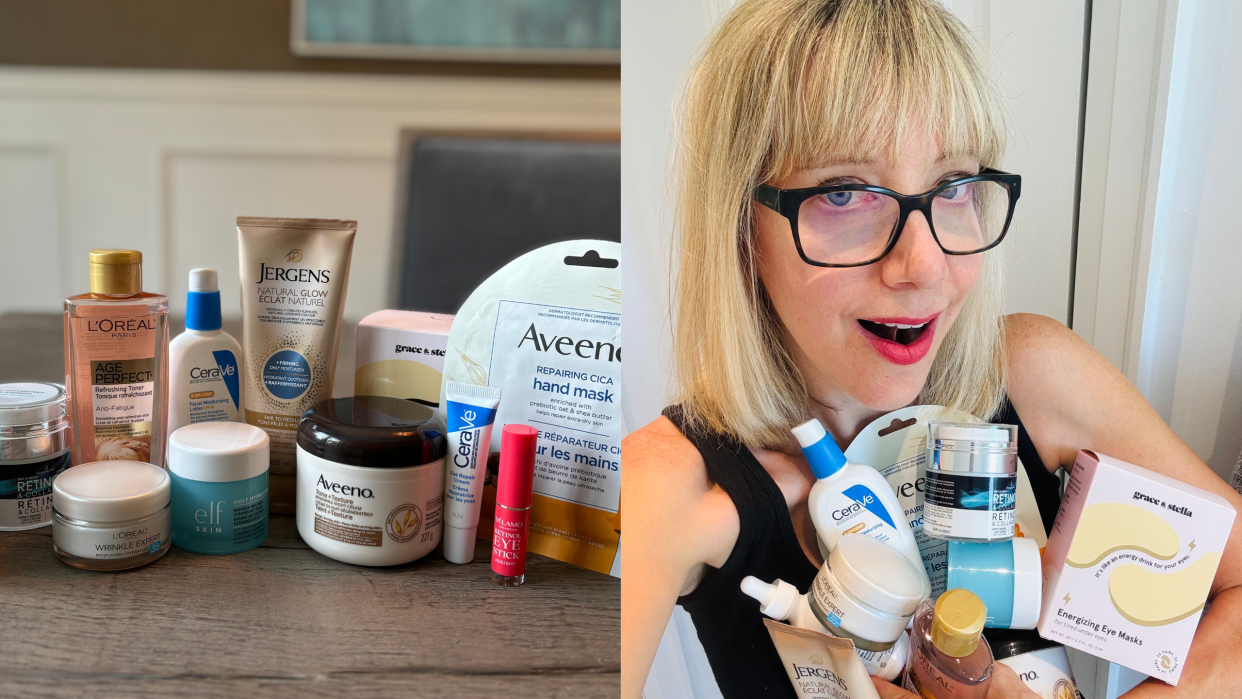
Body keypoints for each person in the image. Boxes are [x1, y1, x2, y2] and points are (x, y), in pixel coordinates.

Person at [620, 0, 1242, 697]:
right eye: (846, 192)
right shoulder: (673, 487)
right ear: (741, 225)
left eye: (953, 187)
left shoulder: (1035, 377)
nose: (924, 264)